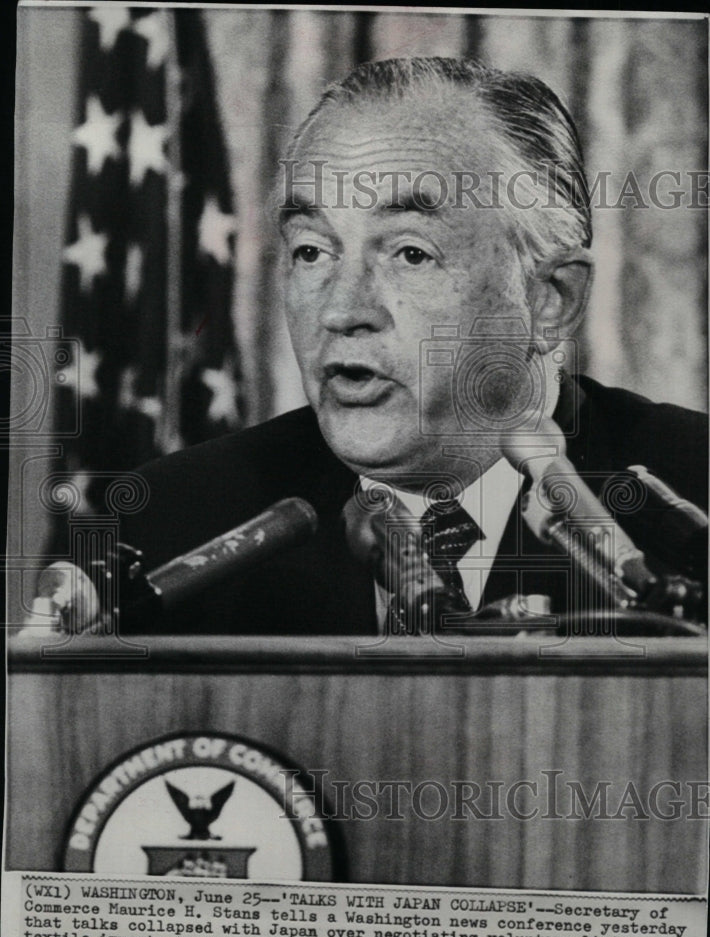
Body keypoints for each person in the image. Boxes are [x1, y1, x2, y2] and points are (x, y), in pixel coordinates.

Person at [122, 57, 707, 636]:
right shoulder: (178, 524)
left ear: (551, 299)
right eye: (311, 252)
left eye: (410, 253)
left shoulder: (690, 493)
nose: (342, 311)